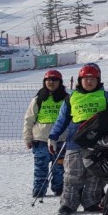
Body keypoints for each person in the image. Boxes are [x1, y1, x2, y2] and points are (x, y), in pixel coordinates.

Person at [48, 64, 108, 215]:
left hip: (98, 143)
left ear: (98, 80)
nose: (89, 82)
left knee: (94, 175)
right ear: (80, 80)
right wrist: (53, 137)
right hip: (75, 141)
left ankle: (91, 202)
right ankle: (68, 204)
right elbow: (62, 120)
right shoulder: (71, 97)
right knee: (72, 174)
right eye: (86, 79)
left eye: (92, 79)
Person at [23, 69, 68, 199]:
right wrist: (27, 137)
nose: (51, 82)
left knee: (60, 167)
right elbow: (29, 119)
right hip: (41, 139)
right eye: (48, 80)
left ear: (60, 82)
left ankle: (59, 188)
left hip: (61, 139)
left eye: (54, 80)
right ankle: (39, 190)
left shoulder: (66, 98)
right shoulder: (38, 99)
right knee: (40, 167)